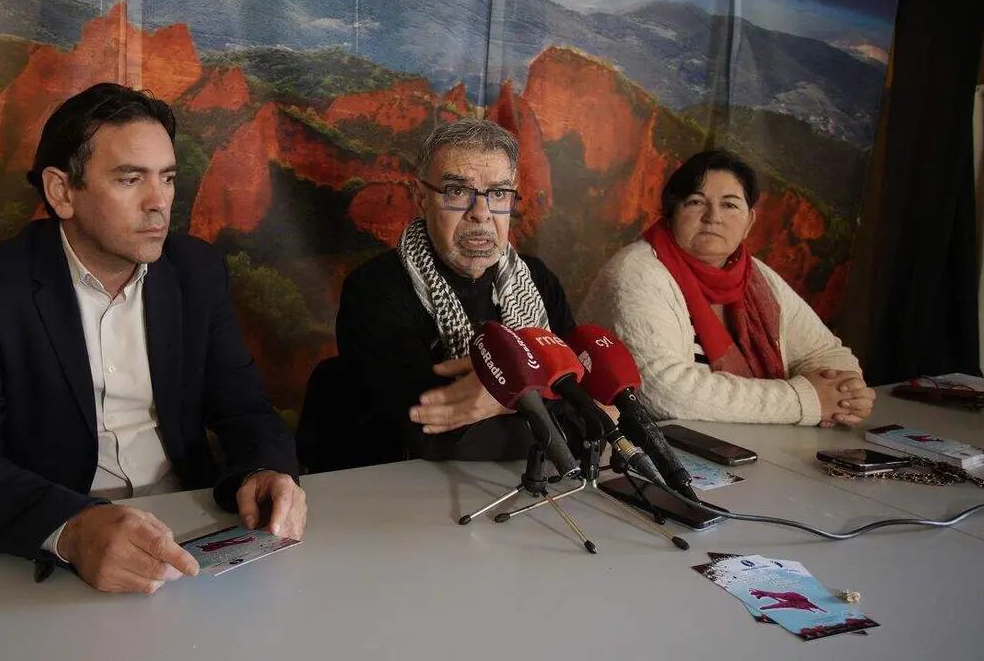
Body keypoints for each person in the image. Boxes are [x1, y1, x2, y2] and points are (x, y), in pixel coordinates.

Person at [0, 83, 307, 594]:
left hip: (187, 525)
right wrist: (71, 529)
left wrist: (268, 470)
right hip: (55, 547)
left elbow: (245, 409)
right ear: (61, 192)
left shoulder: (196, 270)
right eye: (129, 179)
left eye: (167, 178)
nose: (159, 203)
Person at [333, 118, 579, 462]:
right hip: (409, 491)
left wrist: (507, 393)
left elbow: (590, 403)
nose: (481, 214)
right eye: (457, 191)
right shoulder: (374, 291)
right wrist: (542, 400)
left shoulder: (538, 280)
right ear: (421, 200)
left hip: (538, 482)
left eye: (498, 194)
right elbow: (433, 437)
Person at [578, 150, 875, 426]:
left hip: (742, 446)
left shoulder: (757, 276)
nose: (713, 217)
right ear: (670, 214)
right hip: (644, 452)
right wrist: (805, 401)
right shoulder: (637, 271)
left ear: (749, 222)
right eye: (695, 202)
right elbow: (662, 394)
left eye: (730, 205)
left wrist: (846, 392)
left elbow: (822, 351)